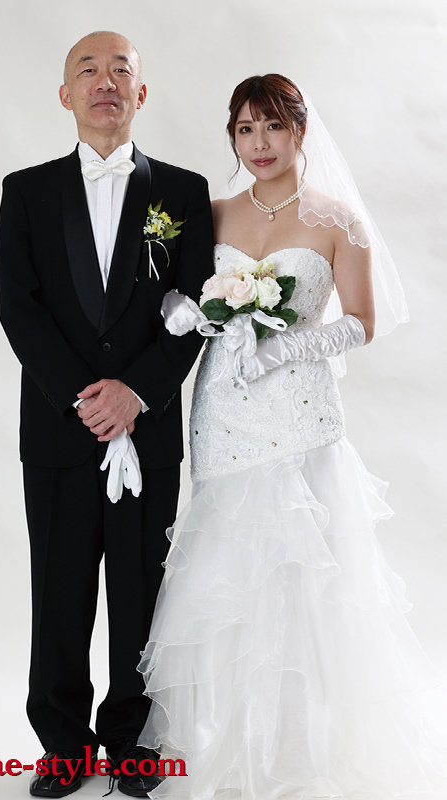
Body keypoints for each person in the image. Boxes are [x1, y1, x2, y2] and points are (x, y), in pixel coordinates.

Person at [137, 75, 447, 799]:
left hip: (301, 412)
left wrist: (287, 346)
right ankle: (223, 740)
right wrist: (193, 311)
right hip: (224, 411)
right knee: (226, 569)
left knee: (307, 570)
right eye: (244, 130)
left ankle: (299, 750)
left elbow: (362, 321)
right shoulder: (211, 214)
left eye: (272, 126)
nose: (259, 143)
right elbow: (174, 293)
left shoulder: (336, 220)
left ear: (300, 130)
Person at [0, 31, 213, 798]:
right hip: (58, 432)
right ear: (66, 94)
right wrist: (88, 399)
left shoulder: (182, 194)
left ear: (141, 93)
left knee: (142, 594)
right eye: (87, 69)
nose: (105, 81)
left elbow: (194, 307)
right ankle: (62, 746)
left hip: (147, 433)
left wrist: (136, 392)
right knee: (58, 596)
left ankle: (132, 743)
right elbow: (19, 308)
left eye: (121, 69)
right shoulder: (25, 191)